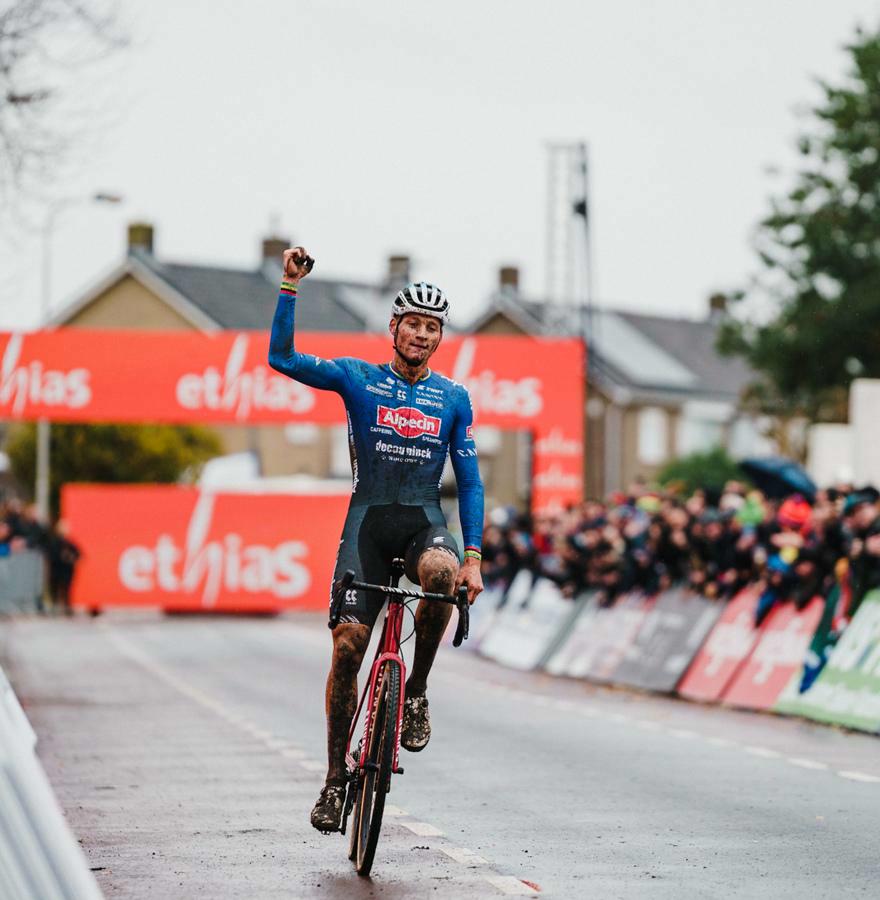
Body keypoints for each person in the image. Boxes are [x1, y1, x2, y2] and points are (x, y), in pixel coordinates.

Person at [268, 247, 484, 833]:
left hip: (421, 523)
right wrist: (290, 285)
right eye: (412, 323)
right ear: (393, 327)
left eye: (431, 326)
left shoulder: (454, 398)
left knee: (440, 580)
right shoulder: (357, 378)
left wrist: (472, 557)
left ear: (440, 336)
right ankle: (336, 780)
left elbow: (469, 480)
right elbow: (281, 357)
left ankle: (414, 690)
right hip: (365, 525)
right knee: (346, 651)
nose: (420, 333)